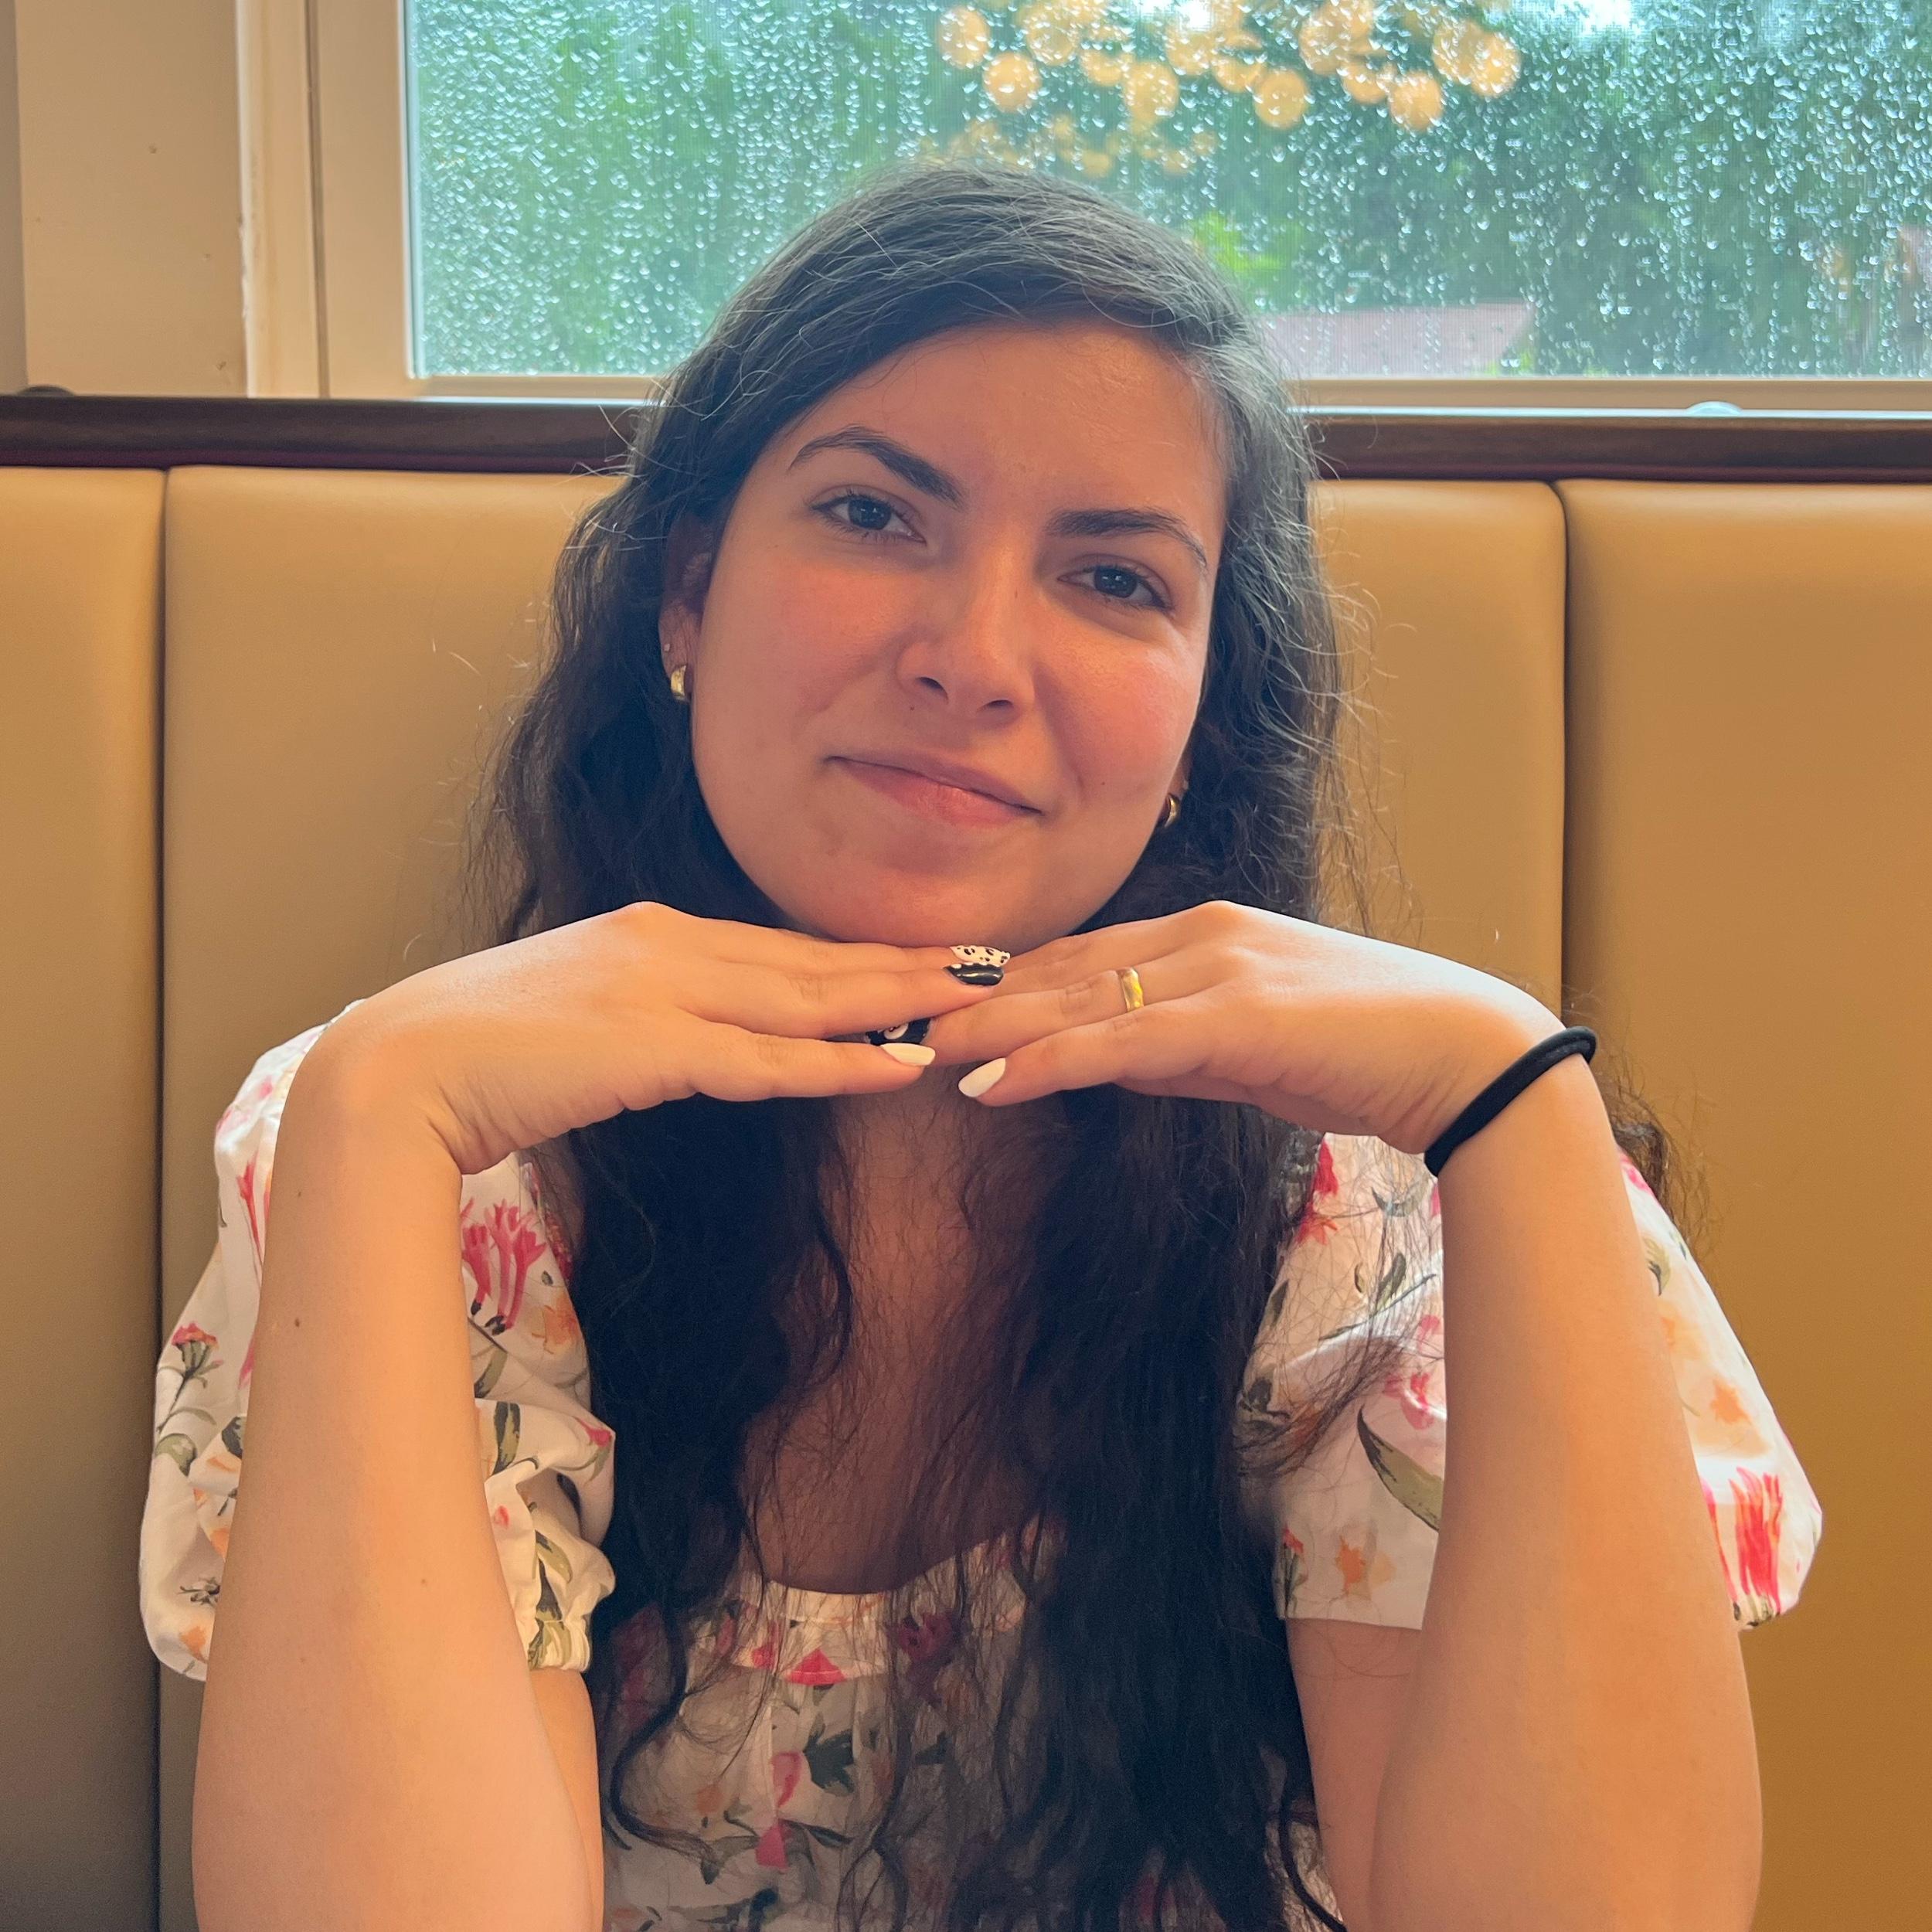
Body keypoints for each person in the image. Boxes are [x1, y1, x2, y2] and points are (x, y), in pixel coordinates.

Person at [141, 161, 1822, 1932]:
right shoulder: (429, 1142)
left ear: (1198, 716)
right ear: (687, 593)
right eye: (872, 513)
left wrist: (1511, 1093)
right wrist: (376, 1114)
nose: (973, 657)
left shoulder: (1375, 1188)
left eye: (1112, 576)